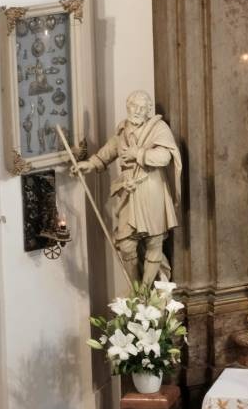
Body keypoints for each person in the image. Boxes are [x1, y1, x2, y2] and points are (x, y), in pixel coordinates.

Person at [71, 90, 182, 286]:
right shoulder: (123, 131)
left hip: (151, 188)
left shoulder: (158, 128)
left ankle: (145, 292)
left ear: (148, 110)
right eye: (133, 106)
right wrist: (89, 164)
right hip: (129, 192)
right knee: (126, 244)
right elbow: (108, 151)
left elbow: (164, 157)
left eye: (142, 108)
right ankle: (136, 289)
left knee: (154, 241)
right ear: (127, 106)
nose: (137, 111)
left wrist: (138, 153)